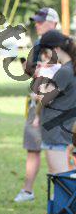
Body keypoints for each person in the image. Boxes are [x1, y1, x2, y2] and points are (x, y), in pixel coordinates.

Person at [14, 7, 59, 202]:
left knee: (56, 150)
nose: (37, 24)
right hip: (36, 103)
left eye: (41, 21)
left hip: (56, 104)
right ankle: (27, 191)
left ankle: (60, 193)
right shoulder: (38, 44)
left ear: (54, 22)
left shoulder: (64, 44)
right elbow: (32, 72)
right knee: (33, 147)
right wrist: (28, 67)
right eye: (36, 21)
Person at [33, 30, 76, 174]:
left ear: (56, 49)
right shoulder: (71, 68)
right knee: (61, 175)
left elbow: (45, 98)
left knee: (60, 177)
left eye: (46, 52)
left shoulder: (64, 71)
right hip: (64, 129)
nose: (46, 57)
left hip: (56, 132)